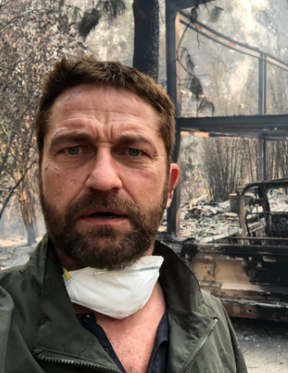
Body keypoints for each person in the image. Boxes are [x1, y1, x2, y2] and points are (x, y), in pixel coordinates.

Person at [0, 56, 247, 373]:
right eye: (74, 149)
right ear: (40, 175)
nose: (103, 179)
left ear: (169, 187)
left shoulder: (213, 322)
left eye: (133, 151)